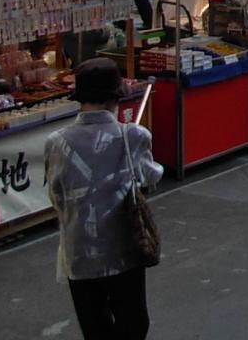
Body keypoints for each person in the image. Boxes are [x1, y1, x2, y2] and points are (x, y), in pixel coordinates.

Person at [45, 58, 164, 340]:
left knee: (94, 328)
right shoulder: (133, 135)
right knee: (133, 324)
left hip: (78, 249)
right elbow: (151, 176)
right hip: (122, 247)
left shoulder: (56, 141)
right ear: (115, 98)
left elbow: (56, 195)